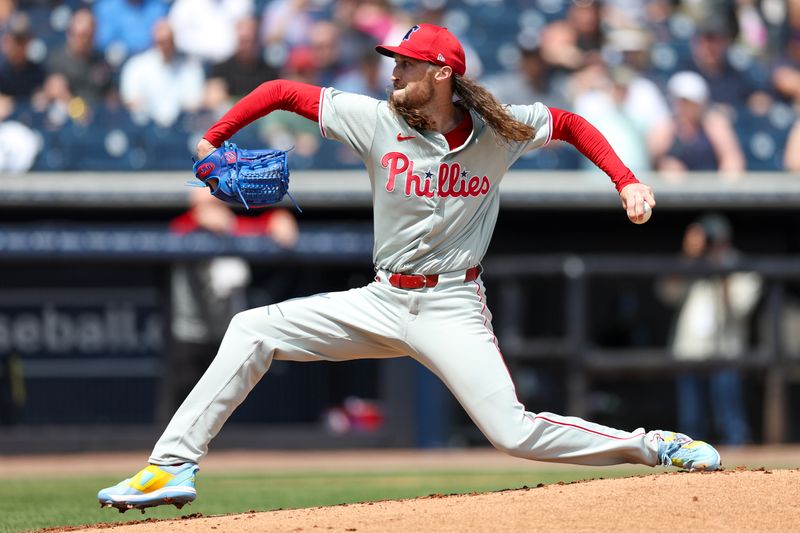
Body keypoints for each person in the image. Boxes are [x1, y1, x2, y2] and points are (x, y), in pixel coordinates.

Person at [98, 23, 721, 512]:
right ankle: (171, 466)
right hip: (382, 298)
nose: (393, 70)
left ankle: (651, 445)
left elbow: (570, 122)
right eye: (394, 60)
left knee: (514, 433)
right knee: (251, 329)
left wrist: (627, 179)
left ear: (441, 74)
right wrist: (214, 137)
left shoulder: (498, 130)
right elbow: (283, 91)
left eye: (405, 63)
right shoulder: (376, 119)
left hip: (452, 304)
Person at [159, 187, 298, 423]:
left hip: (227, 331)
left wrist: (278, 218)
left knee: (229, 402)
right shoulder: (184, 225)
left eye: (214, 200)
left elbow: (268, 225)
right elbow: (179, 230)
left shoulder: (232, 226)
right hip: (189, 332)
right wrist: (201, 217)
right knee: (181, 402)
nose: (209, 206)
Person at [657, 214, 761, 445]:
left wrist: (721, 269)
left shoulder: (739, 264)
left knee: (730, 418)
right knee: (691, 421)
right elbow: (667, 293)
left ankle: (739, 468)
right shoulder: (690, 263)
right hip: (690, 350)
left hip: (726, 351)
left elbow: (742, 306)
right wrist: (688, 258)